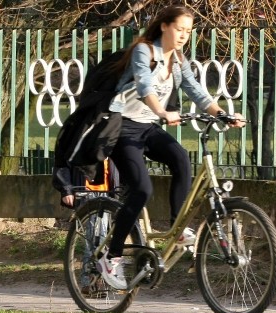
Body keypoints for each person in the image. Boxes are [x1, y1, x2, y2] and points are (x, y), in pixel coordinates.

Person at [92, 5, 246, 290]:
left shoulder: (178, 58)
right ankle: (110, 257)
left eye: (188, 31)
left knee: (181, 159)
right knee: (141, 190)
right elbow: (143, 84)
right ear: (164, 26)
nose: (184, 36)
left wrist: (222, 113)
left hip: (148, 127)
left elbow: (196, 90)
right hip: (122, 127)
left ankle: (177, 229)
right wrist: (163, 112)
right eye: (179, 29)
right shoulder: (144, 50)